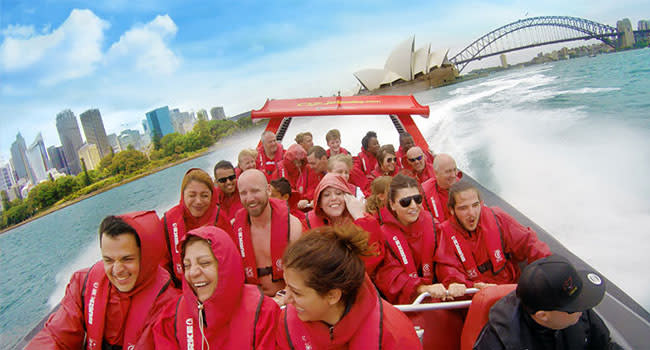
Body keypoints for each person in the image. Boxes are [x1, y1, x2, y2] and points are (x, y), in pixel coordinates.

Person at [27, 212, 179, 350]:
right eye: (109, 260)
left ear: (146, 257)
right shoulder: (82, 284)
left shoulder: (169, 306)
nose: (117, 269)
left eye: (127, 259)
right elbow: (56, 337)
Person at [276, 225, 422, 350]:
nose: (287, 299)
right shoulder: (288, 324)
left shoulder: (394, 334)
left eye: (296, 293)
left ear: (332, 296)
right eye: (286, 286)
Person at [153, 226, 279, 350]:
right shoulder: (171, 319)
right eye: (187, 265)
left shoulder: (264, 313)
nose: (193, 273)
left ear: (227, 266)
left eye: (205, 263)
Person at [474, 254, 622, 350]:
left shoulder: (579, 312)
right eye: (574, 307)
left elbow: (605, 346)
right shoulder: (496, 343)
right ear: (543, 315)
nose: (582, 310)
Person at [436, 181, 551, 290]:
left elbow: (529, 242)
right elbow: (448, 271)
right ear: (452, 210)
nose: (472, 213)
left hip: (511, 288)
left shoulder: (498, 217)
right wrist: (471, 286)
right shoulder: (445, 233)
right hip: (476, 296)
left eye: (475, 205)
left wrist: (548, 267)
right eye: (463, 208)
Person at [373, 174, 463, 305]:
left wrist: (453, 281)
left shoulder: (434, 226)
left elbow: (446, 261)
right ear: (392, 205)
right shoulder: (383, 237)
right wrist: (420, 288)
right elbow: (389, 276)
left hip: (439, 295)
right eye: (405, 202)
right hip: (407, 302)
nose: (413, 206)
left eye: (417, 199)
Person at [233, 169, 303, 298]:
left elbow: (302, 274)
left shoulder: (292, 226)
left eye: (255, 191)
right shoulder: (235, 231)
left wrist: (282, 298)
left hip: (288, 298)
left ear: (269, 190)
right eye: (243, 193)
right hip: (253, 301)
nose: (249, 198)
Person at [303, 173, 385, 275]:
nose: (333, 198)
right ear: (319, 202)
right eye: (326, 194)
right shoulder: (307, 223)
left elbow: (373, 256)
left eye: (338, 193)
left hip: (359, 279)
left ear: (348, 197)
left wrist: (359, 218)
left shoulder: (366, 220)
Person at [162, 168, 231, 286]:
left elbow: (232, 260)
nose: (198, 201)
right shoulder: (168, 221)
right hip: (182, 290)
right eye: (192, 195)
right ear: (183, 196)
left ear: (211, 196)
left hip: (218, 286)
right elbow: (162, 266)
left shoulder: (220, 219)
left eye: (204, 195)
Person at [422, 153, 461, 222]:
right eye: (448, 171)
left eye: (454, 170)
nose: (453, 175)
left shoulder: (463, 188)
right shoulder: (423, 193)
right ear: (436, 173)